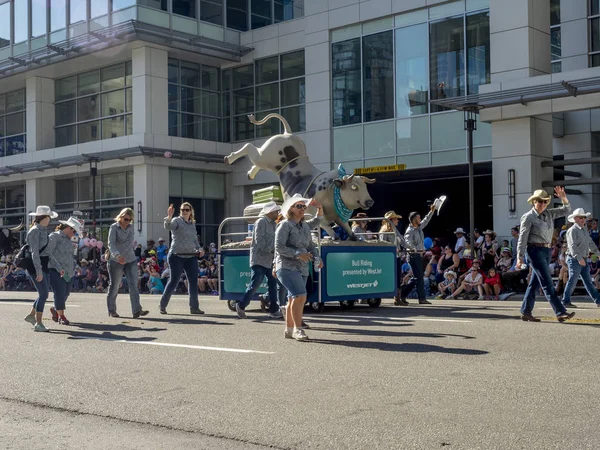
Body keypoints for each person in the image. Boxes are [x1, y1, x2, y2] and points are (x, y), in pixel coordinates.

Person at [517, 187, 575, 322]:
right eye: (539, 201)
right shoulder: (528, 217)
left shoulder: (549, 213)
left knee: (535, 283)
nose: (542, 204)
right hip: (534, 251)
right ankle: (560, 311)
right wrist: (519, 257)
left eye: (545, 202)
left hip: (547, 250)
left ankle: (526, 311)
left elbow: (567, 210)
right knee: (547, 283)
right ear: (533, 202)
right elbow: (522, 238)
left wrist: (563, 198)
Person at [275, 194, 322, 341]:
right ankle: (298, 329)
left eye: (304, 206)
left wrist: (317, 258)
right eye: (299, 206)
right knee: (301, 295)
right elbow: (278, 247)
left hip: (302, 267)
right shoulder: (285, 225)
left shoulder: (304, 226)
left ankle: (289, 329)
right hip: (287, 266)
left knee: (293, 298)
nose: (303, 209)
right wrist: (297, 254)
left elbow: (310, 245)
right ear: (291, 209)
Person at [236, 202, 283, 319]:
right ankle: (241, 305)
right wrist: (271, 250)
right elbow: (259, 240)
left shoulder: (274, 224)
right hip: (259, 259)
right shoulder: (261, 222)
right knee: (255, 284)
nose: (278, 213)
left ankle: (273, 310)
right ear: (270, 212)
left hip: (269, 259)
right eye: (276, 211)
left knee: (272, 285)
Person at [160, 202, 205, 315]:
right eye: (182, 210)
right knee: (173, 281)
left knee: (193, 282)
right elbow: (168, 226)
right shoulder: (176, 221)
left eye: (186, 210)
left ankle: (194, 308)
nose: (184, 211)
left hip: (191, 256)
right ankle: (162, 305)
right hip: (176, 255)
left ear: (190, 211)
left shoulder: (192, 224)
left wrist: (200, 249)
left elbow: (195, 240)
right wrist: (169, 217)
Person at [107, 208, 149, 319]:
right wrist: (117, 255)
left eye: (129, 220)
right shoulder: (114, 227)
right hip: (116, 260)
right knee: (115, 286)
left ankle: (136, 310)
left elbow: (128, 244)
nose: (127, 221)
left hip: (130, 259)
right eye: (125, 219)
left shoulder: (131, 228)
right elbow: (111, 244)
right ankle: (112, 310)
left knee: (134, 285)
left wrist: (124, 257)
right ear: (120, 216)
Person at [23, 205, 57, 332]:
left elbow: (47, 252)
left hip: (43, 265)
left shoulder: (43, 230)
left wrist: (58, 267)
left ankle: (32, 316)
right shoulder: (35, 231)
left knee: (43, 294)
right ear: (44, 217)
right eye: (49, 217)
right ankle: (38, 323)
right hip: (35, 266)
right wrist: (39, 271)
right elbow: (34, 253)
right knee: (44, 294)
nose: (50, 219)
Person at [45, 217, 82, 326]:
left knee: (66, 293)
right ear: (68, 228)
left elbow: (70, 257)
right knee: (59, 293)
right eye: (74, 231)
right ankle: (62, 316)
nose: (74, 234)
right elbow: (48, 253)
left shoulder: (69, 241)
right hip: (54, 270)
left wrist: (77, 266)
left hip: (68, 271)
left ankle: (55, 309)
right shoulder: (54, 236)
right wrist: (57, 266)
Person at [562, 208, 600, 308]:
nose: (583, 219)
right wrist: (579, 258)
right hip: (575, 259)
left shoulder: (584, 231)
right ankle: (565, 301)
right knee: (573, 280)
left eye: (584, 217)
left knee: (588, 282)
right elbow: (572, 246)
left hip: (582, 259)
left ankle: (598, 300)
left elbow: (590, 243)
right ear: (575, 219)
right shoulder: (572, 230)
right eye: (581, 217)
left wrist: (598, 253)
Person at [401, 203, 438, 305]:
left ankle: (403, 294)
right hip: (413, 256)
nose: (420, 219)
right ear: (414, 220)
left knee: (418, 278)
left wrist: (432, 211)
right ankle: (421, 298)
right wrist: (416, 249)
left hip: (418, 255)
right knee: (419, 278)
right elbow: (408, 243)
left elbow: (426, 220)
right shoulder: (410, 231)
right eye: (418, 218)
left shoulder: (419, 227)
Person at [380, 211, 407, 305]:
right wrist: (393, 248)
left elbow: (402, 240)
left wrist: (411, 247)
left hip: (397, 256)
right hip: (389, 258)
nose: (397, 221)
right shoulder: (384, 231)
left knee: (398, 276)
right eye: (395, 219)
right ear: (390, 220)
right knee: (390, 277)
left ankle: (397, 298)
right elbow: (383, 244)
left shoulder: (395, 229)